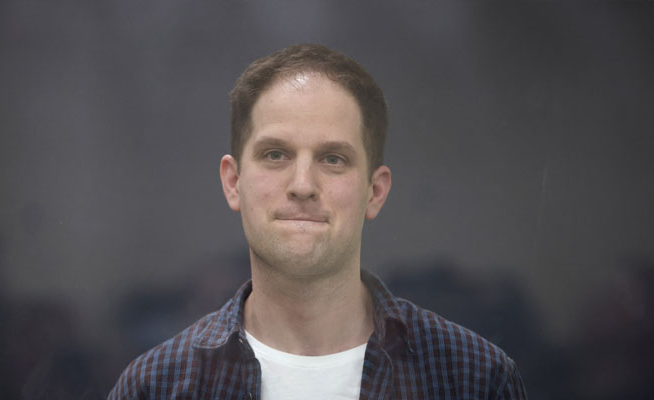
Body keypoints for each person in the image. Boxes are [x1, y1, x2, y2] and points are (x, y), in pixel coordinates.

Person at [108, 43, 527, 400]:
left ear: (375, 191)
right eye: (275, 155)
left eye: (333, 159)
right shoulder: (155, 386)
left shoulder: (474, 378)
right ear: (233, 183)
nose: (303, 185)